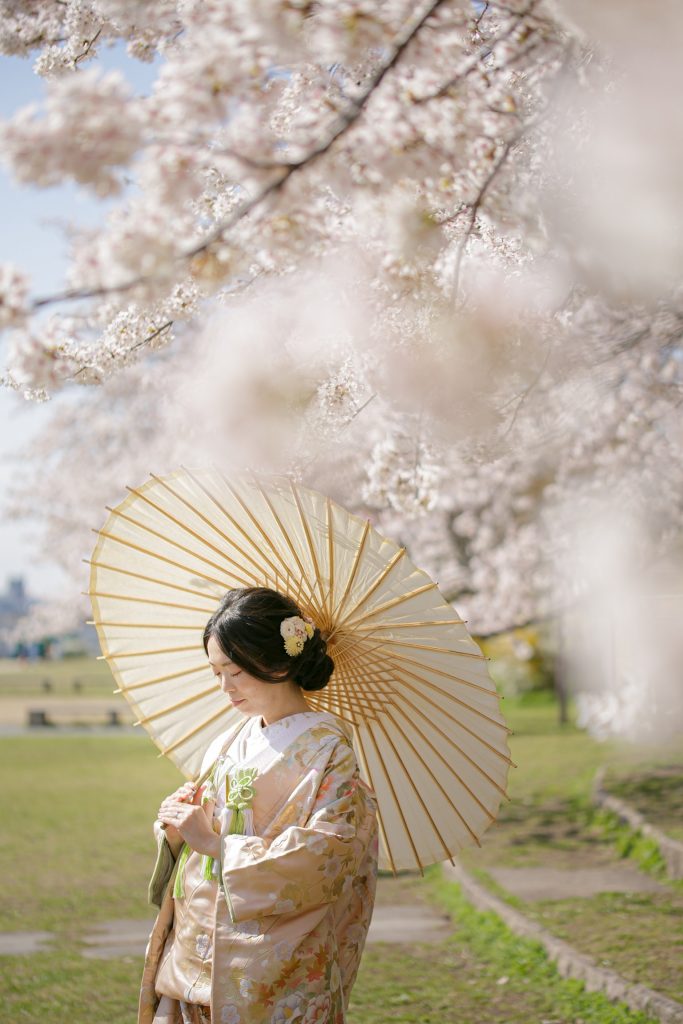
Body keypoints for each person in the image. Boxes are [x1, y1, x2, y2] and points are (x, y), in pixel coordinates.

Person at [138, 586, 380, 1024]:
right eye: (216, 673)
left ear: (279, 662)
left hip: (273, 961)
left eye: (235, 672)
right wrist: (178, 825)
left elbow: (328, 855)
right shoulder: (230, 740)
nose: (224, 688)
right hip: (196, 943)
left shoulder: (329, 750)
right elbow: (202, 831)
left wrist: (218, 847)